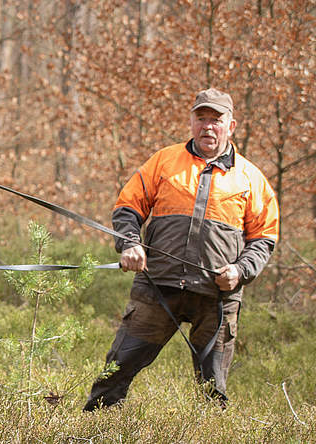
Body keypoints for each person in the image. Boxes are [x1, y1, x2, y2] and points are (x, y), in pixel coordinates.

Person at [84, 88, 279, 410]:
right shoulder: (164, 160)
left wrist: (241, 271)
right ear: (191, 122)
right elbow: (127, 208)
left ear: (231, 126)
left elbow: (264, 237)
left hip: (217, 297)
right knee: (116, 371)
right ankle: (97, 426)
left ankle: (208, 433)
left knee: (212, 388)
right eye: (201, 119)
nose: (208, 127)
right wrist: (131, 244)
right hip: (157, 286)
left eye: (216, 120)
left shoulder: (251, 178)